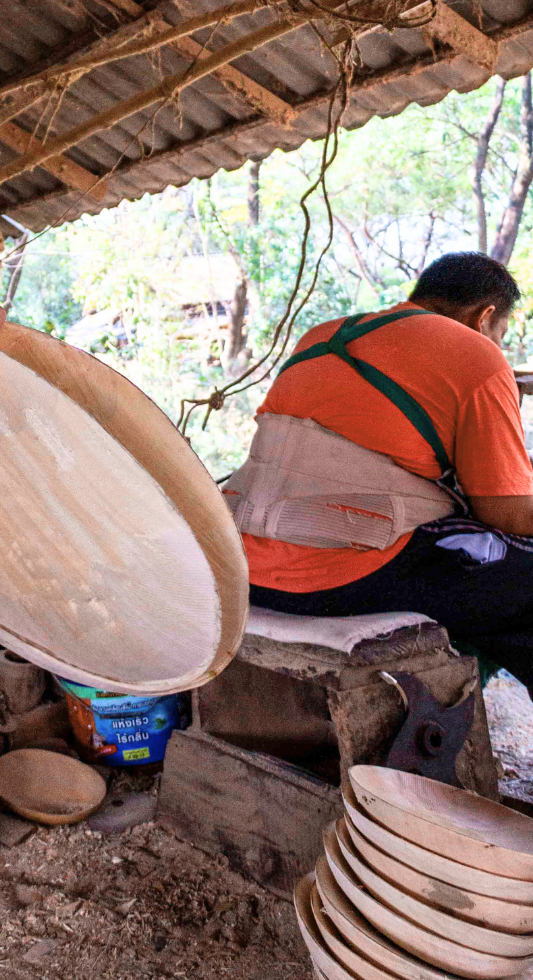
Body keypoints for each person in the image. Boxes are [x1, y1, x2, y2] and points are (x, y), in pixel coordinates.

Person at [225, 252, 533, 689]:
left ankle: (452, 702)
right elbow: (508, 516)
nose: (497, 346)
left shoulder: (320, 336)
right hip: (335, 576)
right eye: (499, 335)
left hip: (242, 563)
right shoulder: (477, 355)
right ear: (485, 318)